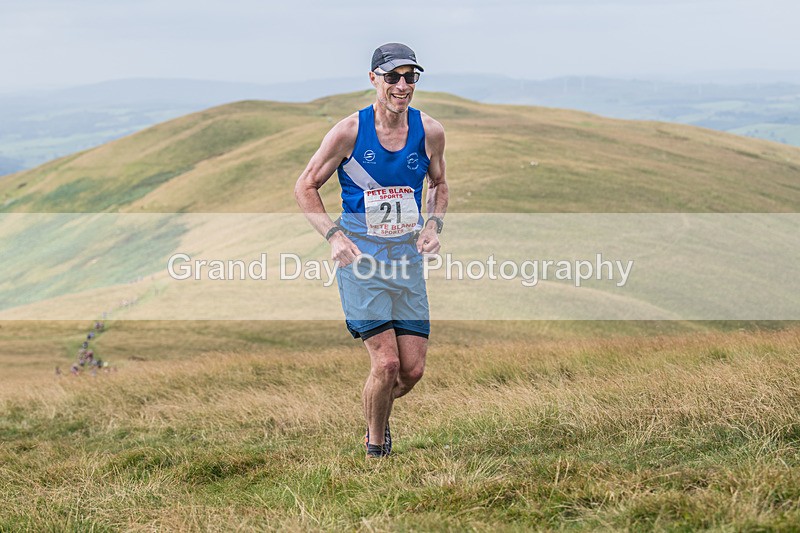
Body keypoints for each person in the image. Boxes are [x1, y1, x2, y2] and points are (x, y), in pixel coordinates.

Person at [295, 43, 449, 458]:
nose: (402, 85)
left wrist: (433, 225)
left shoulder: (429, 131)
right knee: (387, 365)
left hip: (406, 261)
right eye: (392, 77)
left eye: (410, 77)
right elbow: (305, 186)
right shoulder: (349, 131)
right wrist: (333, 237)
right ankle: (376, 446)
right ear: (373, 80)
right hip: (361, 262)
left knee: (411, 371)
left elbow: (438, 184)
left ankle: (373, 410)